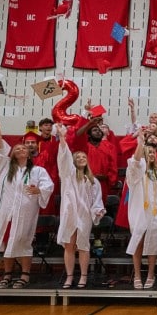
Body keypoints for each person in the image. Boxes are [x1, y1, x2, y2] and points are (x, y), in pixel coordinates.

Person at [0, 115, 54, 289]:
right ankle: (7, 274)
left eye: (24, 148)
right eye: (17, 148)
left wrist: (39, 190)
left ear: (29, 153)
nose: (21, 149)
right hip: (7, 212)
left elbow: (48, 186)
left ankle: (25, 275)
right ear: (12, 153)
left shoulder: (38, 170)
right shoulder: (5, 168)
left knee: (24, 242)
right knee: (7, 242)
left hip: (26, 213)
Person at [55, 124, 106, 289]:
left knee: (83, 245)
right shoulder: (68, 174)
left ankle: (83, 276)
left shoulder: (92, 180)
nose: (81, 159)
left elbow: (97, 199)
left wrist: (98, 209)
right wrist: (62, 137)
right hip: (69, 213)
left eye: (84, 157)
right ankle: (69, 277)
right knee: (69, 246)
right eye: (78, 157)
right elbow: (63, 157)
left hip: (84, 215)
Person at [125, 129, 157, 290]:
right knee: (138, 241)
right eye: (148, 152)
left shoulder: (156, 173)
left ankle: (150, 274)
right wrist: (141, 142)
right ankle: (137, 275)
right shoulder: (135, 172)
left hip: (154, 211)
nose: (151, 154)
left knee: (153, 242)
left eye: (153, 152)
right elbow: (135, 161)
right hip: (138, 211)